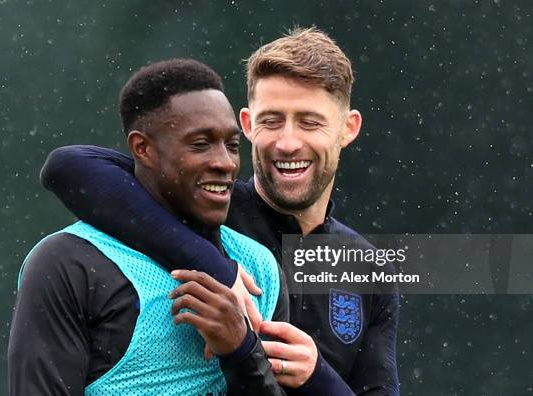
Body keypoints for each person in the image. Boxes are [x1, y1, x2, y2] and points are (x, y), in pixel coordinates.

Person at [41, 28, 399, 395]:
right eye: (271, 121)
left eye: (310, 122)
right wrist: (216, 267)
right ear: (246, 124)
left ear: (348, 128)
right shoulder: (202, 211)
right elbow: (68, 167)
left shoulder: (369, 269)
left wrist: (317, 378)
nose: (288, 142)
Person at [8, 59, 290, 395]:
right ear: (143, 149)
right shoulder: (69, 264)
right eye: (200, 144)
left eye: (232, 145)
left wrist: (241, 351)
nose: (225, 162)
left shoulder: (259, 268)